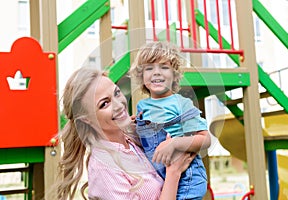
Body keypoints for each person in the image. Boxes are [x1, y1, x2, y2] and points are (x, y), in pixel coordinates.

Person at [52, 67, 196, 200]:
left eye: (116, 93)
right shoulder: (104, 167)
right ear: (87, 120)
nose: (119, 105)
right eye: (104, 104)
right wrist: (173, 173)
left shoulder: (130, 141)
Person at [130, 41, 211, 200]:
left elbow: (205, 139)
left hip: (187, 177)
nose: (157, 73)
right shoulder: (142, 106)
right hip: (161, 176)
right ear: (142, 75)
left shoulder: (181, 104)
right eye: (149, 68)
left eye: (164, 67)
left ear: (174, 75)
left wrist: (175, 143)